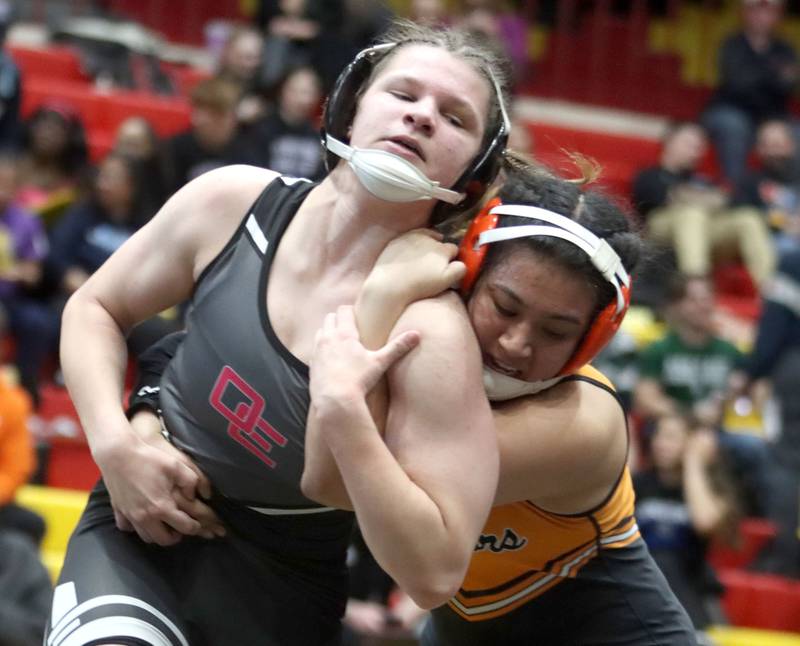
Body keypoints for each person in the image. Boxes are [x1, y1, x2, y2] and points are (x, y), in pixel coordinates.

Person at [48, 20, 509, 646]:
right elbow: (94, 308)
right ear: (350, 109)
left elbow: (434, 574)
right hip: (137, 533)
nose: (423, 117)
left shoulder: (430, 328)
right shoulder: (233, 202)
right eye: (403, 95)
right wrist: (113, 445)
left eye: (455, 118)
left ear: (473, 172)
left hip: (280, 597)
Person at [303, 158, 696, 645]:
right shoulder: (435, 360)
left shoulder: (585, 424)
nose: (515, 344)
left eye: (556, 331)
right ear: (466, 274)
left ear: (594, 338)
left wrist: (381, 301)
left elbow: (335, 479)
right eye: (504, 307)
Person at [632, 121, 775, 289]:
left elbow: (731, 202)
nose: (695, 151)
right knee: (691, 214)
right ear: (670, 142)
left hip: (704, 230)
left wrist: (687, 197)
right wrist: (705, 200)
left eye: (699, 146)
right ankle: (696, 284)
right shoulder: (650, 174)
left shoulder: (703, 181)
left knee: (748, 218)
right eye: (689, 144)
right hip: (659, 230)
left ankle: (769, 288)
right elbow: (654, 199)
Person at [634, 413, 739, 632]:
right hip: (640, 589)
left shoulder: (711, 489)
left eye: (671, 437)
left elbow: (704, 521)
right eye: (658, 436)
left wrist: (694, 461)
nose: (661, 443)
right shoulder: (638, 484)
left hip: (688, 594)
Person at [700, 0, 799, 186]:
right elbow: (737, 85)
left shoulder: (786, 49)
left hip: (772, 117)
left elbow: (789, 87)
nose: (762, 17)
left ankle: (793, 197)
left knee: (796, 132)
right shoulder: (731, 44)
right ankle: (735, 189)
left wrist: (755, 75)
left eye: (769, 12)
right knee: (733, 126)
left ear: (778, 17)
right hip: (730, 111)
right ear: (745, 14)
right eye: (756, 11)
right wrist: (773, 75)